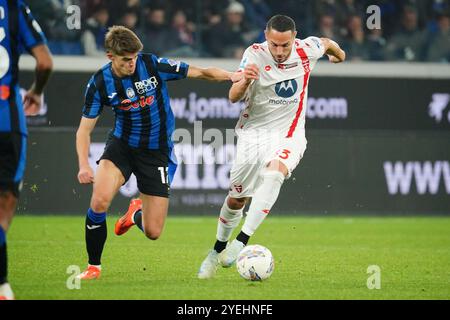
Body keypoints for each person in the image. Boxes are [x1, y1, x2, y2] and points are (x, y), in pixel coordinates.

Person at [75, 25, 241, 280]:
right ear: (111, 57)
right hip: (122, 146)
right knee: (99, 201)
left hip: (157, 153)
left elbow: (200, 72)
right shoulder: (99, 83)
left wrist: (232, 76)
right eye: (126, 60)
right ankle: (93, 267)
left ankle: (135, 214)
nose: (132, 64)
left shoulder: (151, 65)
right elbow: (84, 131)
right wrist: (84, 166)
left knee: (153, 231)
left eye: (134, 58)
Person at [197, 14, 345, 279]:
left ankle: (241, 241)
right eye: (274, 45)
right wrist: (244, 81)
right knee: (236, 198)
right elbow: (233, 97)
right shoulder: (253, 55)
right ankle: (216, 251)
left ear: (294, 38)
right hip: (253, 135)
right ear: (266, 36)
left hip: (289, 133)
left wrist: (339, 55)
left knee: (275, 172)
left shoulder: (307, 49)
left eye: (284, 45)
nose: (279, 51)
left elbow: (327, 42)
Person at [0, 0, 53, 299]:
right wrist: (36, 91)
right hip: (6, 118)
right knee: (5, 202)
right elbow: (44, 62)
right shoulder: (14, 8)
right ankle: (2, 284)